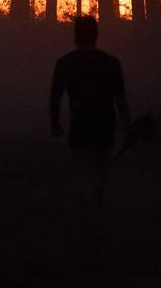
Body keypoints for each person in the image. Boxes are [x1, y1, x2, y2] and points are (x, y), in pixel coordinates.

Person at [49, 15, 132, 215]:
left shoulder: (65, 63)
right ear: (96, 35)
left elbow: (55, 96)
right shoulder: (111, 63)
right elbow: (120, 99)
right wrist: (127, 126)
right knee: (102, 172)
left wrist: (55, 122)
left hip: (80, 126)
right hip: (106, 126)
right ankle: (98, 213)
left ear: (76, 36)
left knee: (85, 171)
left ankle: (89, 214)